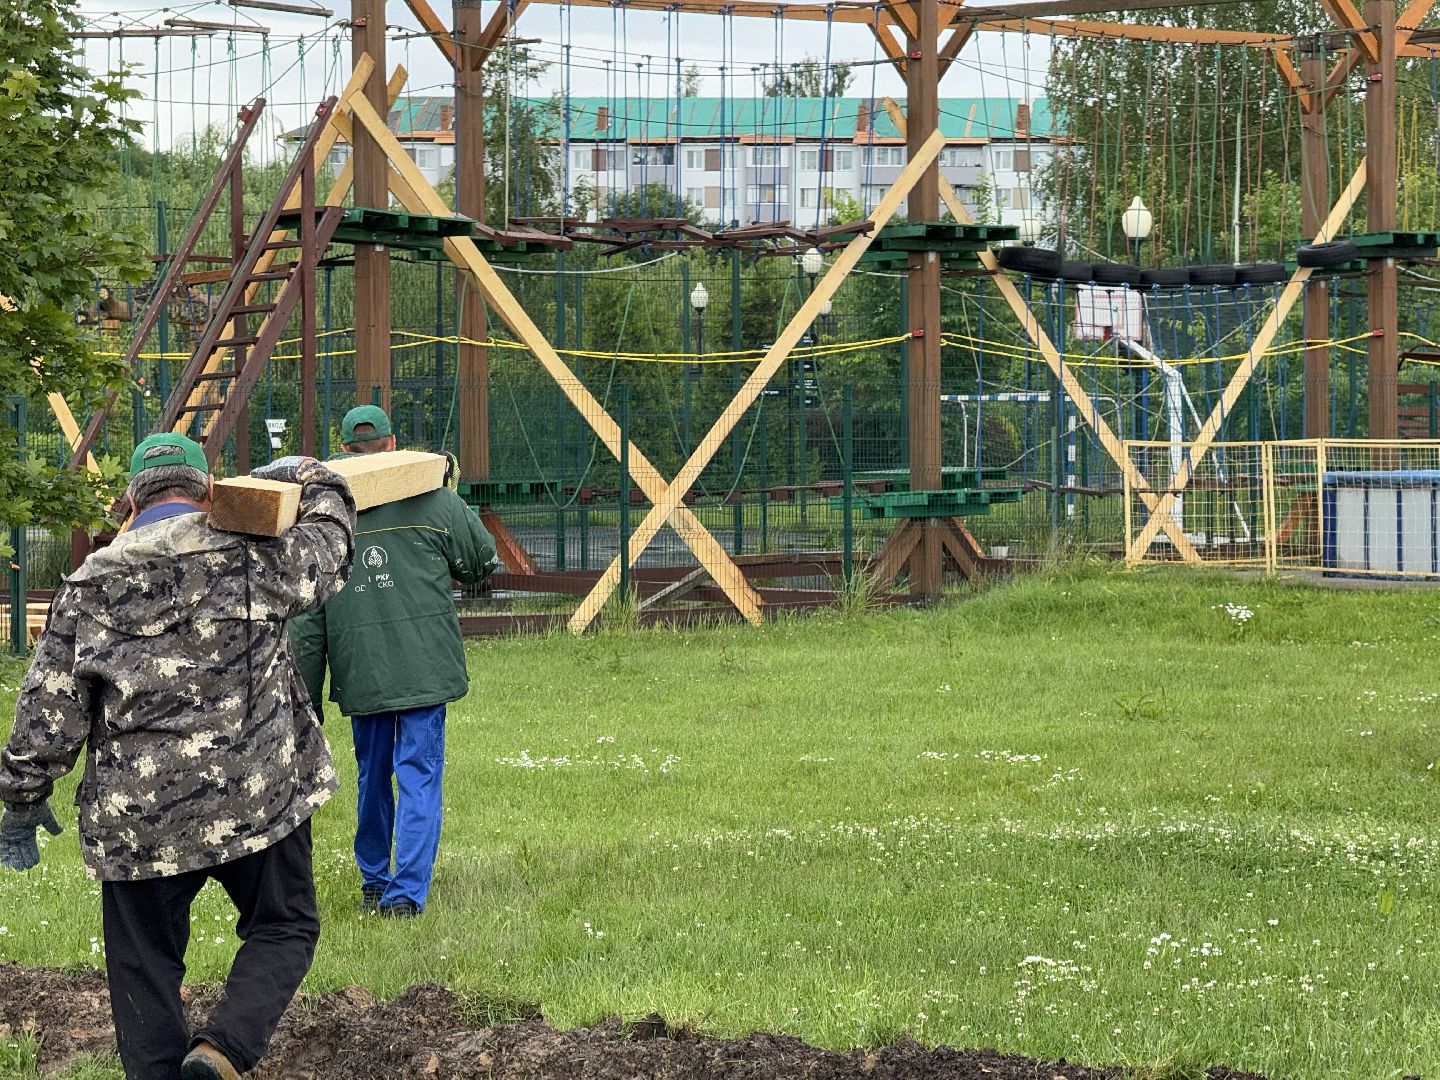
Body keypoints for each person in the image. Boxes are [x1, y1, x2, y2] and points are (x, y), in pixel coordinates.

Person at [0, 433, 356, 1080]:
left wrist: (22, 799)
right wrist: (310, 474)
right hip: (258, 796)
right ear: (210, 492)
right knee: (285, 925)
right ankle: (221, 1051)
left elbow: (47, 714)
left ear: (129, 504)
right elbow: (331, 546)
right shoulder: (254, 556)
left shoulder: (86, 588)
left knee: (144, 968)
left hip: (137, 821)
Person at [290, 405, 496, 920]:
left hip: (364, 671)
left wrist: (304, 699)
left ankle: (374, 881)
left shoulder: (324, 517)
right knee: (420, 775)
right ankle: (405, 897)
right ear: (394, 445)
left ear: (341, 453)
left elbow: (307, 621)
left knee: (372, 775)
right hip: (424, 670)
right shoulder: (436, 499)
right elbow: (478, 561)